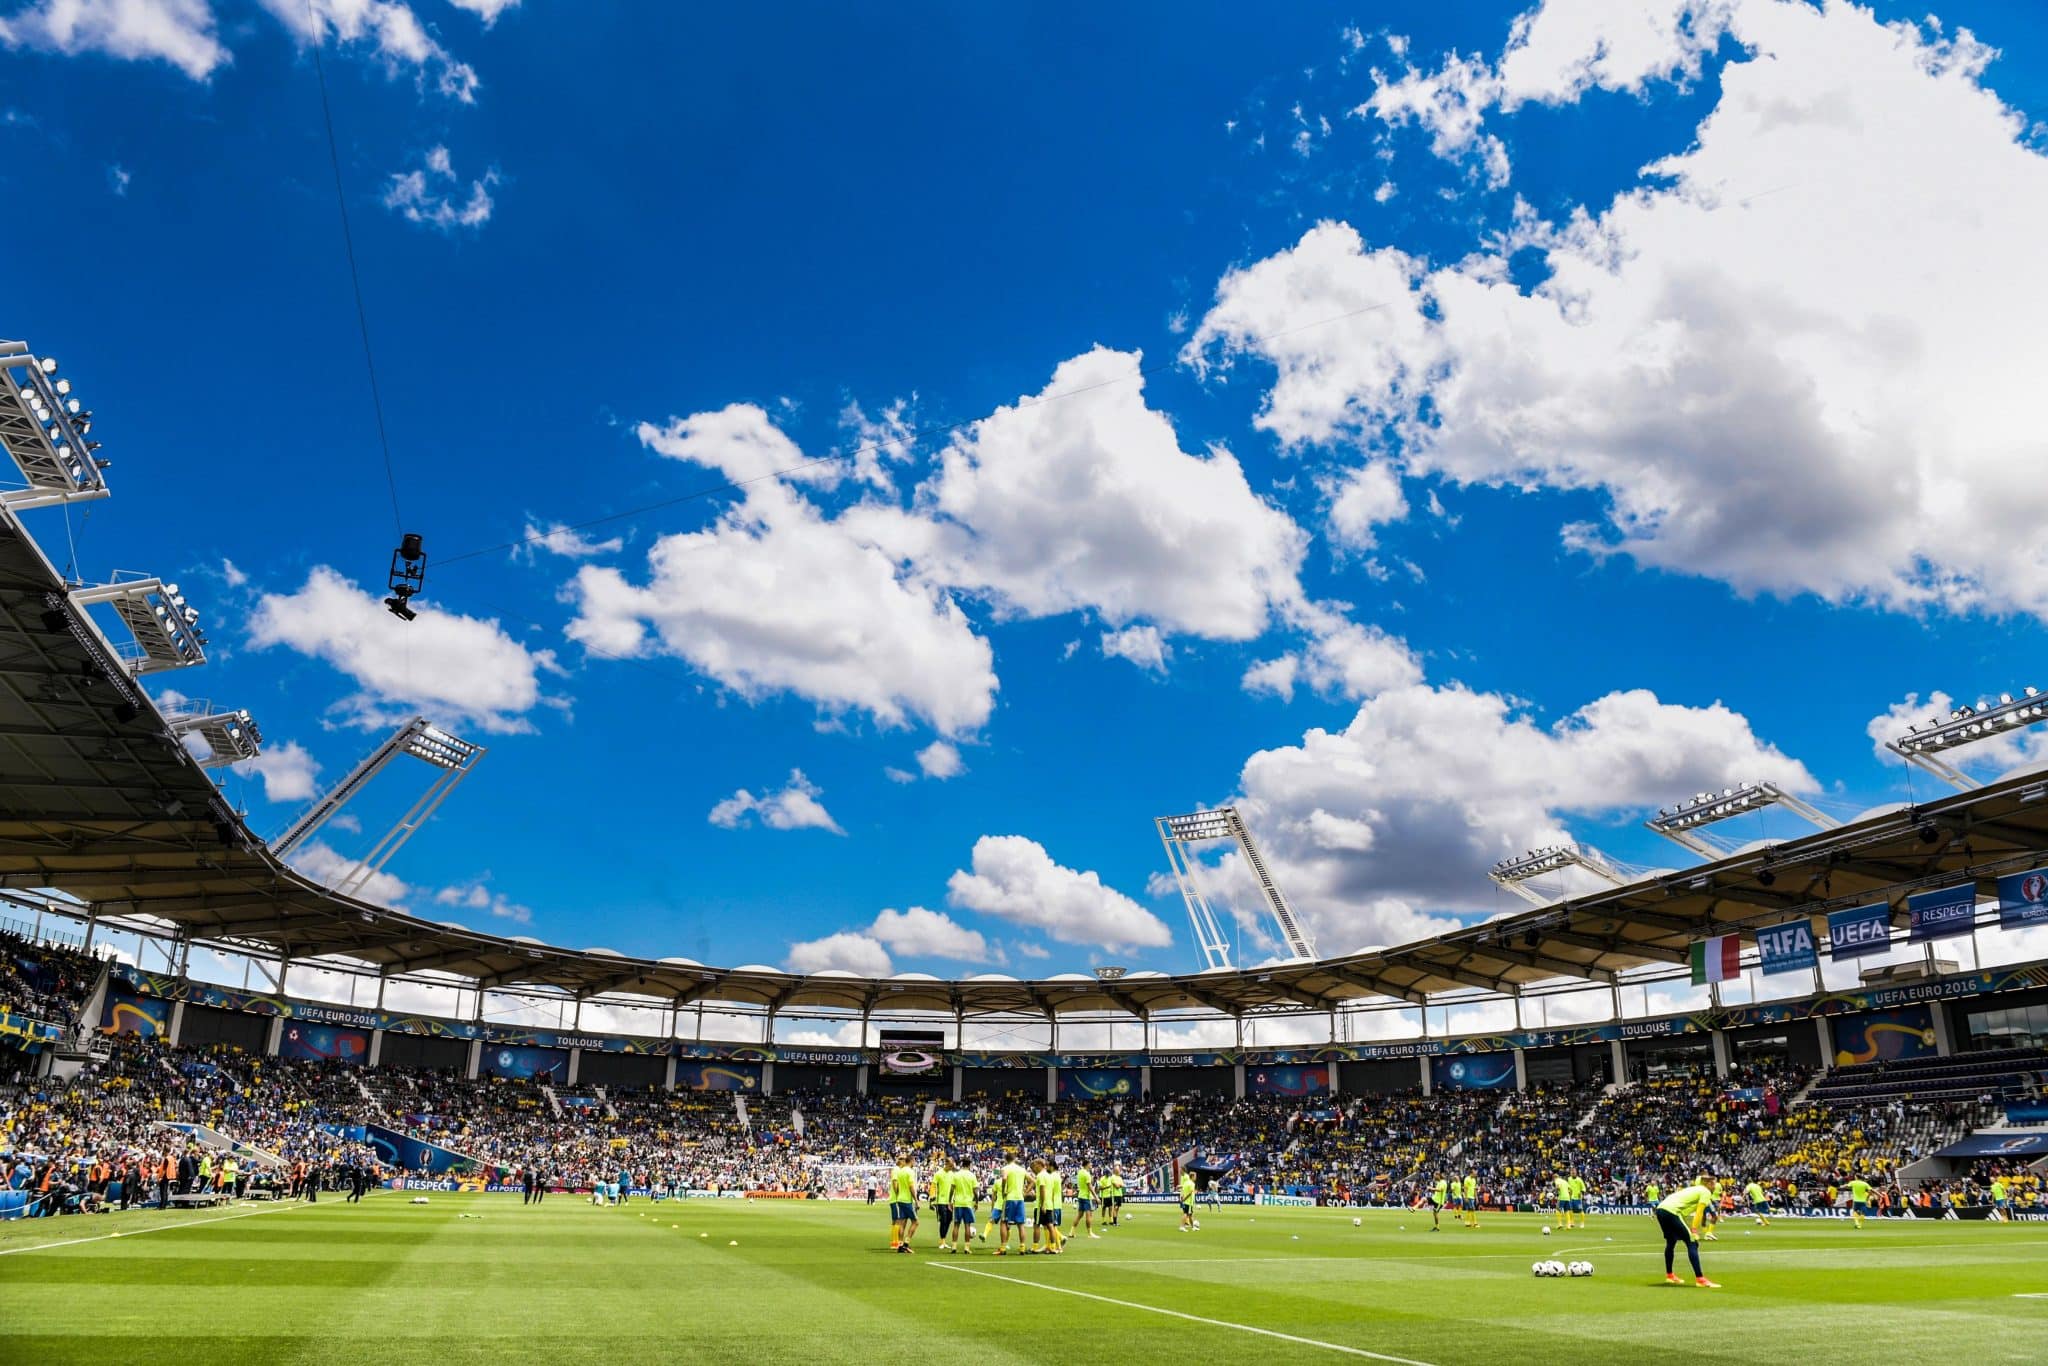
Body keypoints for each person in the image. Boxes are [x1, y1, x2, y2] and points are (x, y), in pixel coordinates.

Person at [1654, 1179, 1721, 1288]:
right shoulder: (1706, 1192)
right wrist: (1694, 1230)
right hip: (1671, 1211)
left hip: (1661, 1209)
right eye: (1714, 1185)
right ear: (1708, 1184)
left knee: (1671, 1242)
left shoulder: (1694, 1189)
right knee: (1692, 1243)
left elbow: (1684, 1212)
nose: (1715, 1187)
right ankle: (1700, 1279)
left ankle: (1670, 1276)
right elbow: (1699, 1212)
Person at [997, 1157, 1029, 1256]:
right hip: (1020, 1198)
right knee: (1020, 1224)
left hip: (1010, 1198)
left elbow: (1004, 1178)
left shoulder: (1005, 1168)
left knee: (1003, 1222)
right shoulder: (1022, 1169)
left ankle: (1003, 1247)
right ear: (1015, 1159)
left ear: (1006, 1160)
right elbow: (1032, 1181)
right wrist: (1025, 1192)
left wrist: (1003, 1190)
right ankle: (1022, 1247)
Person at [887, 1153, 917, 1254]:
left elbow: (897, 1185)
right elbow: (911, 1187)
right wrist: (916, 1200)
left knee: (901, 1223)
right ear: (911, 1161)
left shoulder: (900, 1172)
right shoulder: (909, 1172)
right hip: (907, 1200)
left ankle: (899, 1245)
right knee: (915, 1222)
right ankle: (905, 1244)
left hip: (899, 1199)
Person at [947, 1159, 977, 1253]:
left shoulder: (957, 1175)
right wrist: (976, 1201)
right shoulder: (972, 1175)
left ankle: (954, 1246)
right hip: (968, 1203)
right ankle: (966, 1248)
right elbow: (975, 1191)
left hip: (958, 1203)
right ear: (969, 1165)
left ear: (962, 1164)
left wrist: (949, 1202)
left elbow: (952, 1189)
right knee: (967, 1225)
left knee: (956, 1225)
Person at [930, 1158, 954, 1245]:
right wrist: (932, 1198)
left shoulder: (952, 1174)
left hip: (950, 1202)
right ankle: (942, 1240)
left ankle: (944, 1238)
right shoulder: (938, 1174)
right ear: (946, 1164)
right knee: (943, 1220)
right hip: (940, 1201)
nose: (952, 1167)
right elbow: (933, 1186)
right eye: (951, 1165)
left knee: (949, 1220)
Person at [1073, 1161, 1097, 1239]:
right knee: (1089, 1214)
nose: (1091, 1165)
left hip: (1080, 1195)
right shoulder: (1087, 1174)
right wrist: (1096, 1197)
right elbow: (1090, 1187)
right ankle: (1090, 1233)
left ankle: (1071, 1232)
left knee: (1079, 1215)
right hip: (1086, 1196)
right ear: (1087, 1164)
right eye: (1090, 1163)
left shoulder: (1080, 1172)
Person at [1179, 1168, 1199, 1232]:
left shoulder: (1186, 1182)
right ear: (1192, 1176)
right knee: (1186, 1214)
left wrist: (1182, 1197)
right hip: (1189, 1202)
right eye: (1195, 1176)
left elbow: (1184, 1190)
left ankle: (1193, 1227)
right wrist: (1185, 1199)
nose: (1196, 1178)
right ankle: (1182, 1226)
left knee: (1190, 1215)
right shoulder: (1192, 1183)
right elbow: (1190, 1193)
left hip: (1186, 1201)